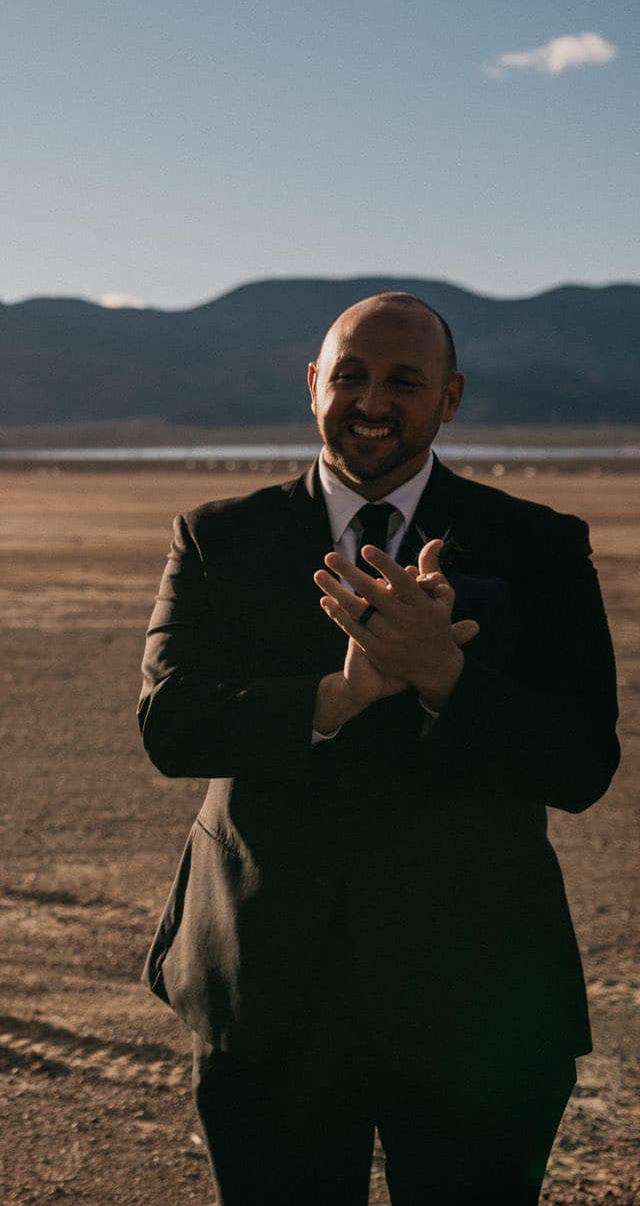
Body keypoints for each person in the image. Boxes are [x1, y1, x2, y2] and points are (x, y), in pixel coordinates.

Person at [137, 292, 621, 1204]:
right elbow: (171, 722)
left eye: (404, 380)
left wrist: (445, 675)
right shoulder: (217, 537)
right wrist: (338, 695)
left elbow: (582, 761)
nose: (372, 400)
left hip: (479, 996)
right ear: (313, 384)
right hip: (271, 989)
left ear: (451, 397)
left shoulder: (541, 547)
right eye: (350, 375)